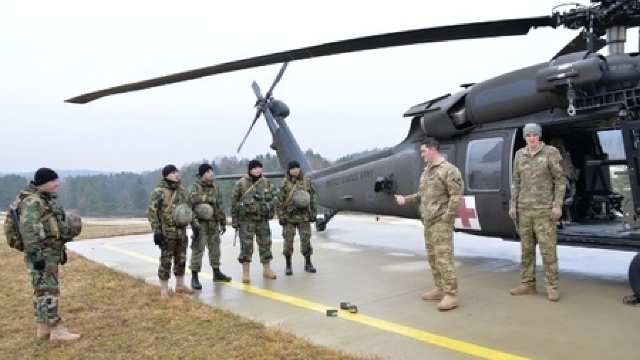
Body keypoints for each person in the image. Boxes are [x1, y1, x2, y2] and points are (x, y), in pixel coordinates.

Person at [394, 138, 463, 311]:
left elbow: (456, 196)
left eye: (424, 151)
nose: (422, 154)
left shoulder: (449, 170)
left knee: (444, 258)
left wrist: (446, 218)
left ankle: (451, 295)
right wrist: (406, 200)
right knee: (433, 258)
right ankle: (440, 289)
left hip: (441, 222)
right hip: (429, 222)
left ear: (433, 150)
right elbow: (422, 195)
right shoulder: (427, 172)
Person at [20, 168, 81, 341]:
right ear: (44, 182)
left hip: (46, 252)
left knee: (40, 290)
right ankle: (56, 329)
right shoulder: (34, 202)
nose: (57, 184)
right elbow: (29, 229)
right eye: (53, 181)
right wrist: (36, 255)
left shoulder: (42, 200)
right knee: (50, 290)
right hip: (43, 253)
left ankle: (43, 327)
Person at [509, 123, 565, 301]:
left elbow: (560, 180)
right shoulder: (519, 155)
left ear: (539, 136)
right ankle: (527, 284)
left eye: (534, 135)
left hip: (544, 211)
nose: (531, 138)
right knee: (526, 250)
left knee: (548, 250)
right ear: (525, 138)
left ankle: (552, 286)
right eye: (528, 135)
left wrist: (557, 205)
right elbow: (516, 182)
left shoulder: (550, 152)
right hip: (524, 210)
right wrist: (513, 205)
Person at [147, 164, 196, 299]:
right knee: (166, 260)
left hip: (181, 232)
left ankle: (180, 285)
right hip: (167, 233)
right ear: (167, 175)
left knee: (181, 259)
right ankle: (164, 289)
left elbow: (188, 209)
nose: (176, 174)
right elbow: (152, 212)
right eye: (173, 172)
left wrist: (194, 225)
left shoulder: (182, 191)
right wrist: (156, 231)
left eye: (177, 172)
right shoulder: (159, 191)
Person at [230, 159, 278, 283]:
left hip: (262, 220)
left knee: (265, 244)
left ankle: (267, 269)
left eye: (259, 167)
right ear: (250, 170)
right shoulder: (241, 184)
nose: (258, 170)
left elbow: (275, 197)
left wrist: (269, 205)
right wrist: (235, 220)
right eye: (255, 168)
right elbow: (234, 202)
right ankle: (246, 273)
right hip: (246, 221)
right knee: (246, 247)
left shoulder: (266, 182)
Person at [188, 163, 231, 289]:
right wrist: (209, 199)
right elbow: (192, 200)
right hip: (200, 224)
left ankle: (216, 272)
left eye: (211, 171)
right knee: (197, 250)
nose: (211, 174)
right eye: (207, 172)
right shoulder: (195, 186)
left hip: (213, 224)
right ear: (202, 174)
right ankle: (194, 277)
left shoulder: (215, 188)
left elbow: (220, 205)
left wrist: (223, 221)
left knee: (215, 250)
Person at [277, 160, 318, 275]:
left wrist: (313, 213)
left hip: (304, 217)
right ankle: (288, 265)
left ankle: (308, 263)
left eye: (297, 168)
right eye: (292, 169)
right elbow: (279, 201)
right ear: (289, 170)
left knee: (306, 240)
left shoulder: (306, 181)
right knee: (288, 242)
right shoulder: (284, 183)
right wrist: (281, 216)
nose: (295, 171)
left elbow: (313, 197)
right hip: (289, 218)